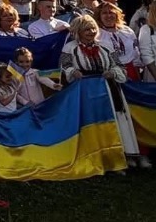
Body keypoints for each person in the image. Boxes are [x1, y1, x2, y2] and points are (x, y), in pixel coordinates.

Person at [60, 15, 146, 168]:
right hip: (85, 91)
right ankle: (96, 156)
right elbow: (65, 66)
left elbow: (119, 66)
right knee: (92, 121)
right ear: (78, 31)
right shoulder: (70, 48)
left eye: (93, 28)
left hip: (108, 90)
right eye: (87, 29)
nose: (91, 31)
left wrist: (113, 73)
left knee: (115, 120)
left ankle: (122, 155)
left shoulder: (106, 45)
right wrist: (73, 72)